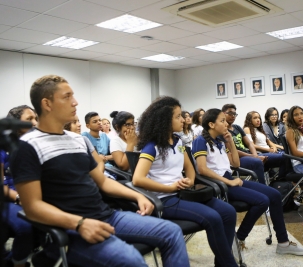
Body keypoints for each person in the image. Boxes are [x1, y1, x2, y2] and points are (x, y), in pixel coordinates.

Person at [10, 75, 190, 267]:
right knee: (133, 261)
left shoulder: (76, 140)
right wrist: (79, 223)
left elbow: (102, 181)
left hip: (106, 215)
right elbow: (32, 207)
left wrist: (138, 196)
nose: (75, 102)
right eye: (67, 96)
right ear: (47, 104)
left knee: (171, 232)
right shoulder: (26, 146)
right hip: (71, 229)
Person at [133, 97, 238, 267]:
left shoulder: (179, 142)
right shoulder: (152, 146)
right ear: (164, 120)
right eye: (177, 117)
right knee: (213, 218)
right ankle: (229, 264)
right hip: (165, 199)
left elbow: (189, 167)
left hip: (184, 193)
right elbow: (137, 179)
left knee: (228, 212)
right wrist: (169, 187)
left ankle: (222, 262)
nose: (183, 119)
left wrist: (189, 180)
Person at [192, 108, 303, 256]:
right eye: (222, 121)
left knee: (273, 195)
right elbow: (202, 169)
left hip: (229, 180)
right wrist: (228, 182)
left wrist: (230, 143)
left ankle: (283, 243)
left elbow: (235, 164)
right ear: (211, 124)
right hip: (218, 185)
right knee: (262, 201)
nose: (226, 123)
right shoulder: (200, 141)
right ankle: (239, 237)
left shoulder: (220, 141)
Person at [2, 105, 37, 267]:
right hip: (8, 198)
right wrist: (18, 197)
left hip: (29, 194)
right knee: (24, 225)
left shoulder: (33, 146)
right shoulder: (3, 149)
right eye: (29, 119)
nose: (35, 123)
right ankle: (18, 262)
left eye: (36, 118)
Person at [222, 104, 267, 184]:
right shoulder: (223, 131)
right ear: (223, 113)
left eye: (234, 114)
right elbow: (232, 151)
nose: (233, 116)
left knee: (274, 158)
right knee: (257, 162)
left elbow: (249, 143)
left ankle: (276, 181)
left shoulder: (237, 127)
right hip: (238, 158)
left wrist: (255, 155)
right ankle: (263, 187)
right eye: (230, 113)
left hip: (249, 154)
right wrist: (253, 156)